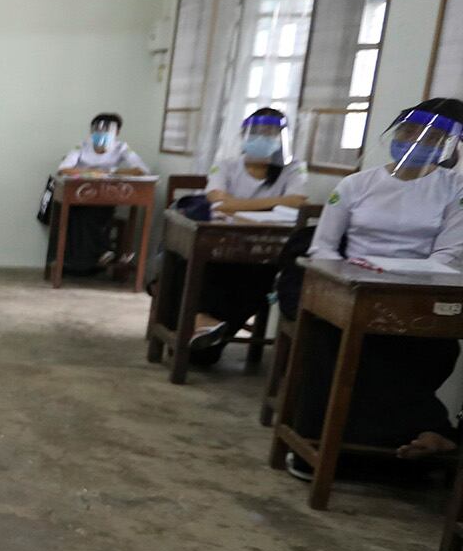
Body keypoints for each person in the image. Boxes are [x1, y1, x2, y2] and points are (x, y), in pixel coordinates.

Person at [285, 99, 463, 479]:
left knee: (428, 350)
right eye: (408, 132)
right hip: (349, 288)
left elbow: (449, 255)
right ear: (395, 134)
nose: (415, 142)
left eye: (430, 137)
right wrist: (347, 277)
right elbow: (324, 247)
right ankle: (317, 447)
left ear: (450, 147)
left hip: (418, 294)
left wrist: (398, 277)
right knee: (330, 339)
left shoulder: (454, 189)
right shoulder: (355, 184)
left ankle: (397, 450)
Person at [191, 108, 310, 356]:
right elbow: (216, 199)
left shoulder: (294, 168)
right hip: (223, 244)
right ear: (244, 135)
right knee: (210, 270)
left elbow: (298, 202)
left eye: (270, 133)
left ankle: (207, 335)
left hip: (268, 250)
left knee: (259, 281)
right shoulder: (225, 165)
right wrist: (276, 202)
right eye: (256, 132)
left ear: (281, 140)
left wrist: (235, 205)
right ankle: (204, 330)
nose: (263, 138)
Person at [50, 112, 150, 277]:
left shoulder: (121, 147)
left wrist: (110, 171)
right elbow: (64, 170)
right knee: (81, 214)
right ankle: (100, 252)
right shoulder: (82, 146)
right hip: (78, 197)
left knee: (96, 213)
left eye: (108, 130)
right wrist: (92, 172)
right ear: (92, 131)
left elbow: (141, 170)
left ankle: (90, 259)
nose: (102, 134)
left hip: (106, 197)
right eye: (98, 130)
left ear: (117, 133)